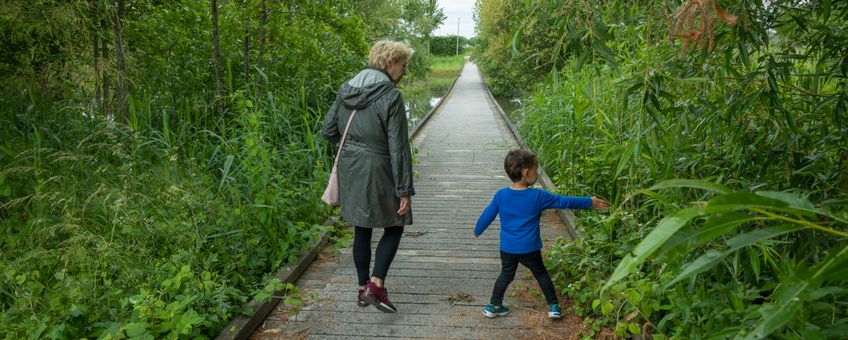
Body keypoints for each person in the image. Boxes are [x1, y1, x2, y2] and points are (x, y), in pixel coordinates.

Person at [321, 40, 415, 313]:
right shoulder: (391, 95)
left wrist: (353, 147)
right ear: (388, 63)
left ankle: (362, 289)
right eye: (402, 64)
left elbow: (329, 130)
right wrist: (404, 189)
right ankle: (376, 285)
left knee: (362, 227)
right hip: (380, 167)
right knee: (395, 223)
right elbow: (398, 147)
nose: (404, 70)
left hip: (351, 166)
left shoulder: (346, 89)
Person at [474, 149, 610, 319]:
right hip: (529, 248)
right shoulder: (538, 196)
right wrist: (590, 202)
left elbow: (488, 214)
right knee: (541, 274)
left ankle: (494, 306)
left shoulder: (501, 195)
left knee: (506, 275)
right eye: (535, 170)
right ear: (525, 173)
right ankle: (553, 307)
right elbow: (564, 200)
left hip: (508, 248)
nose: (537, 173)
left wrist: (478, 230)